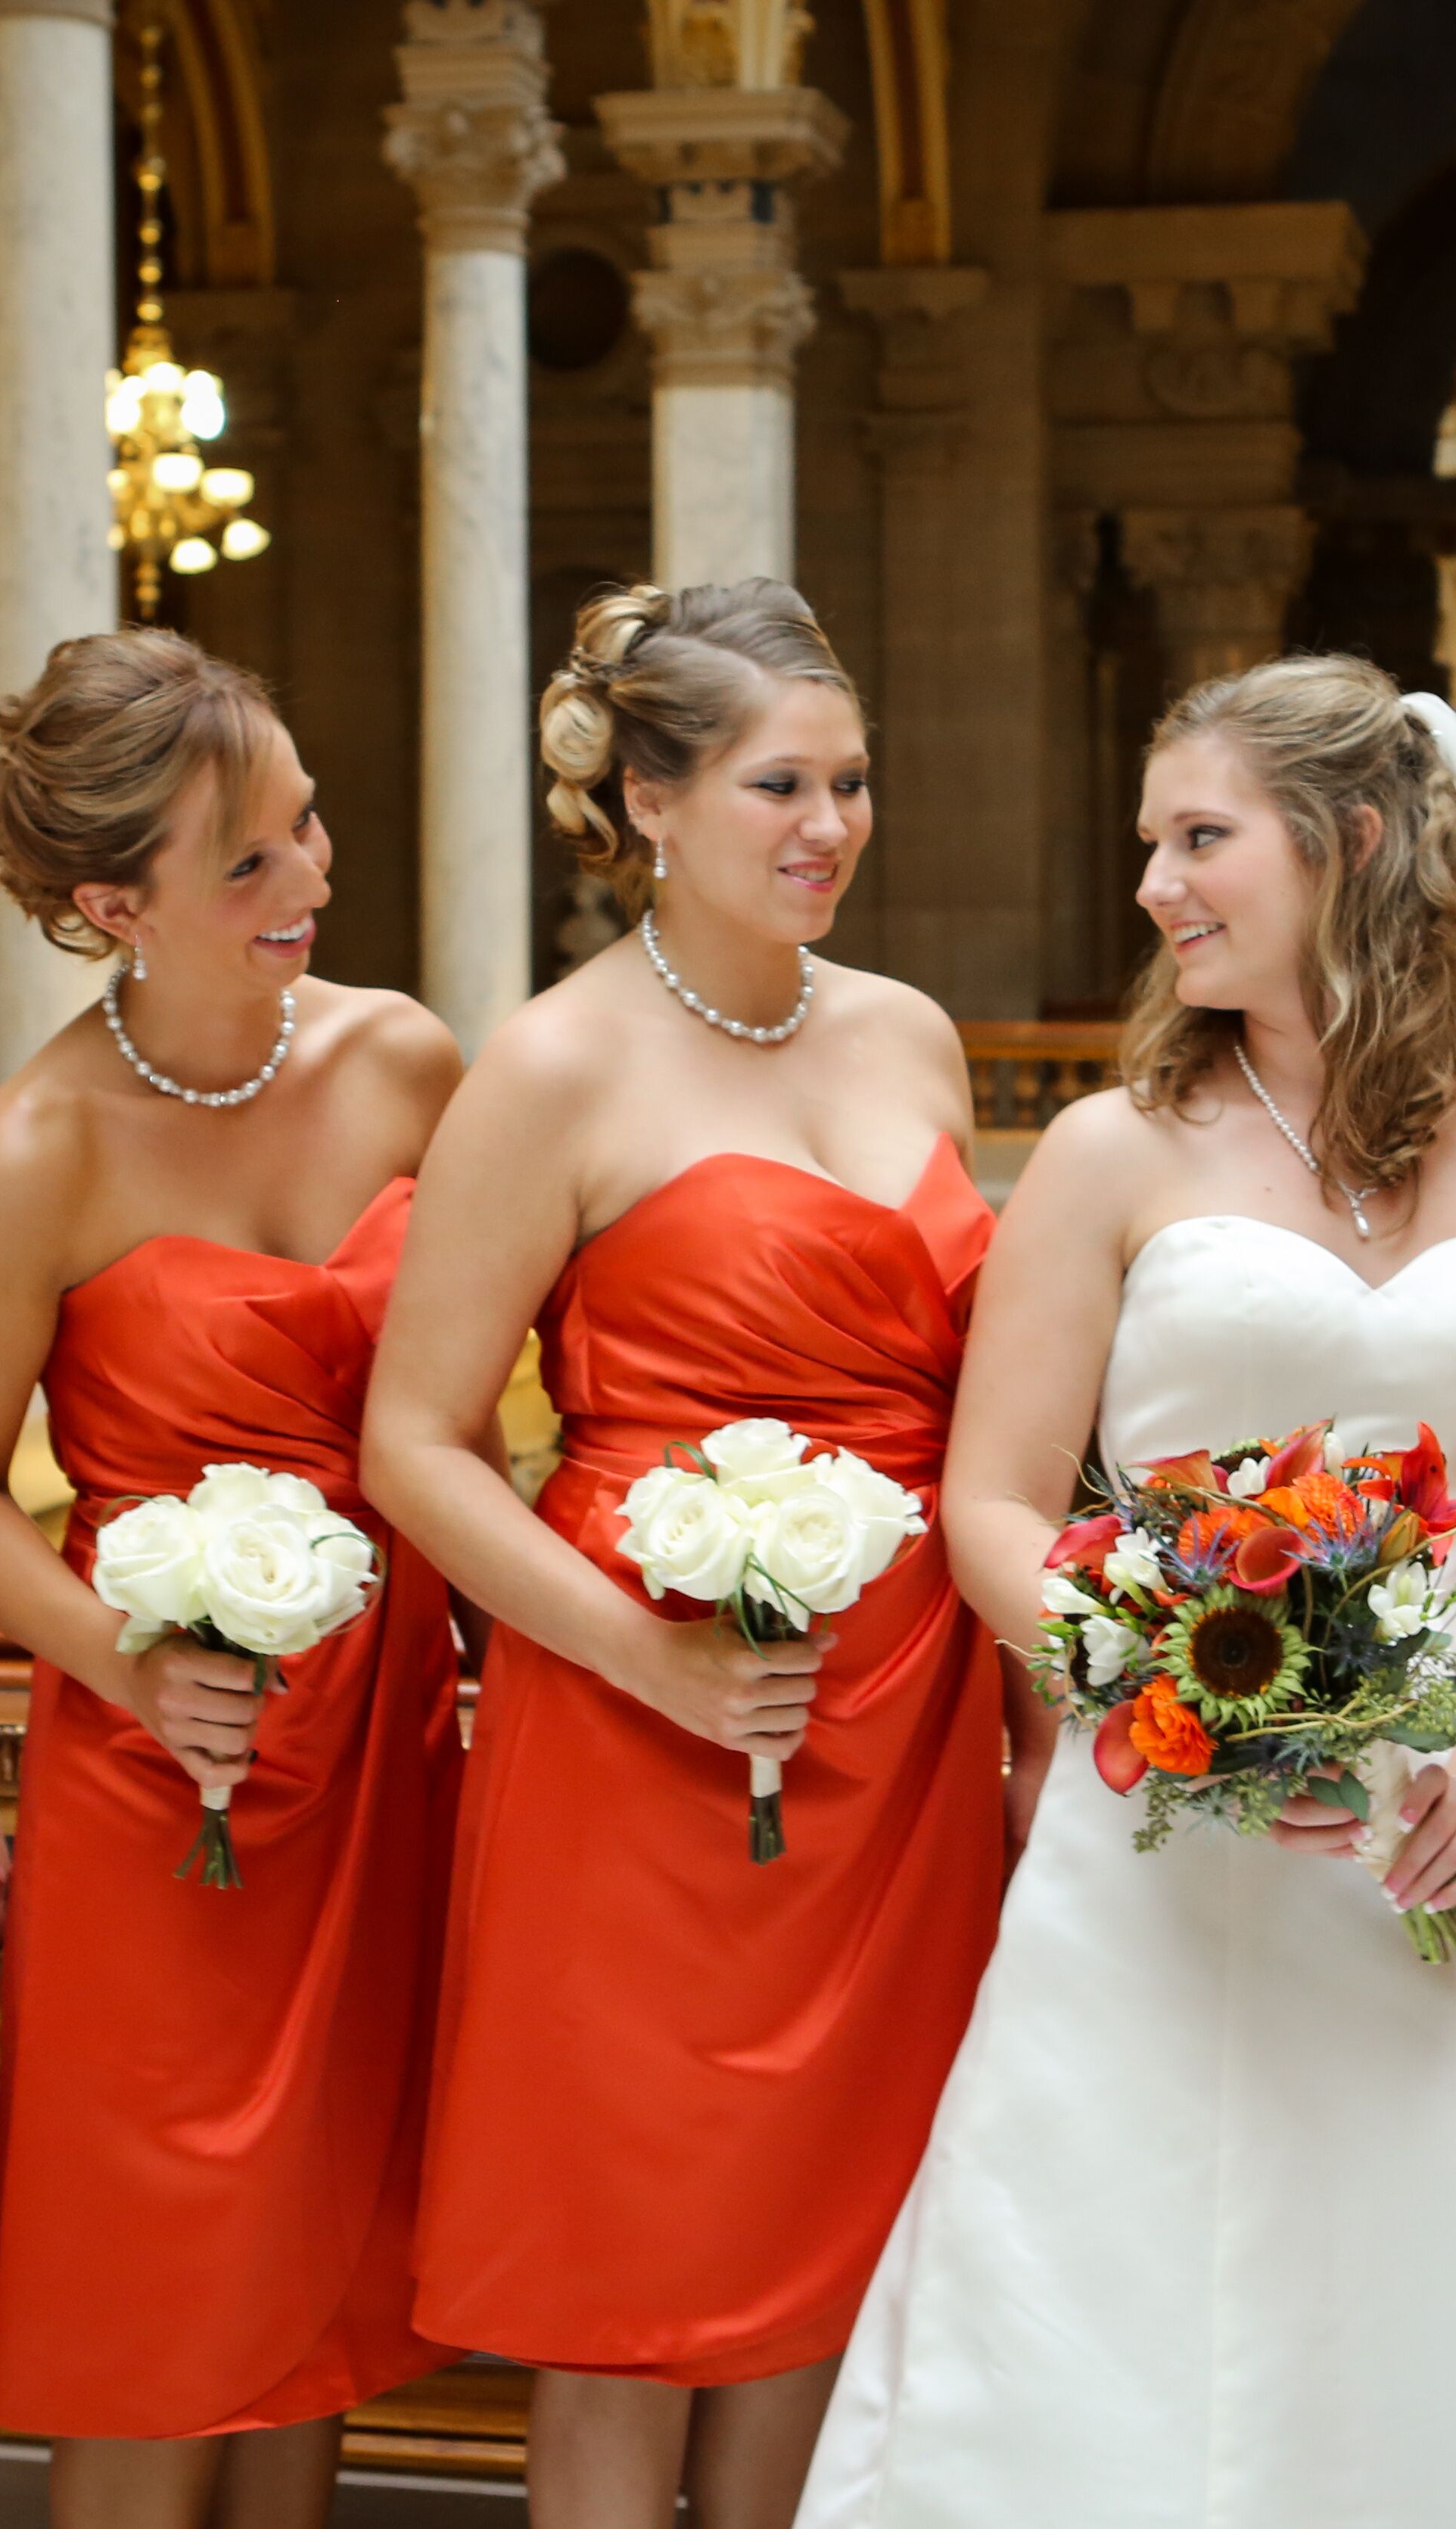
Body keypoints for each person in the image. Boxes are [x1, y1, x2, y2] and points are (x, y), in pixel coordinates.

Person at [795, 654, 1456, 2529]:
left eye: (1201, 837)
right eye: (1153, 843)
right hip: (1152, 1819)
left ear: (1348, 843)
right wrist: (1171, 1695)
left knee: (1437, 2304)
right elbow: (990, 1499)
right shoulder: (1113, 1152)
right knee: (1102, 2299)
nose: (1156, 884)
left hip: (1423, 1821)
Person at [361, 581, 998, 2529]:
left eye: (854, 782)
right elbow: (416, 1441)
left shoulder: (910, 1036)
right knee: (627, 2273)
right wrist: (652, 1660)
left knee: (835, 2243)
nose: (831, 825)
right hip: (640, 1730)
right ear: (647, 800)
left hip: (900, 1735)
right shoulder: (552, 1067)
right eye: (779, 786)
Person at [0, 631, 465, 2527]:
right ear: (106, 906)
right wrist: (121, 1662)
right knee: (161, 2276)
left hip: (382, 1758)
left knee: (316, 2259)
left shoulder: (409, 1064)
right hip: (163, 1782)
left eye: (307, 829)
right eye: (249, 865)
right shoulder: (34, 1155)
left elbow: (487, 1406)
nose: (309, 880)